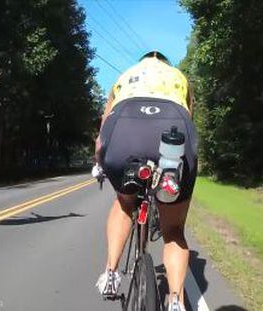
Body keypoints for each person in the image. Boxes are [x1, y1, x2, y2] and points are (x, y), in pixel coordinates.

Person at [93, 51, 197, 311]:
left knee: (125, 202)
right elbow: (189, 122)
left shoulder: (125, 77)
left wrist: (100, 164)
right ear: (165, 64)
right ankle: (176, 301)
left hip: (124, 130)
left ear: (142, 62)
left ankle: (111, 273)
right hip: (173, 131)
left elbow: (102, 132)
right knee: (173, 230)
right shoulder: (178, 77)